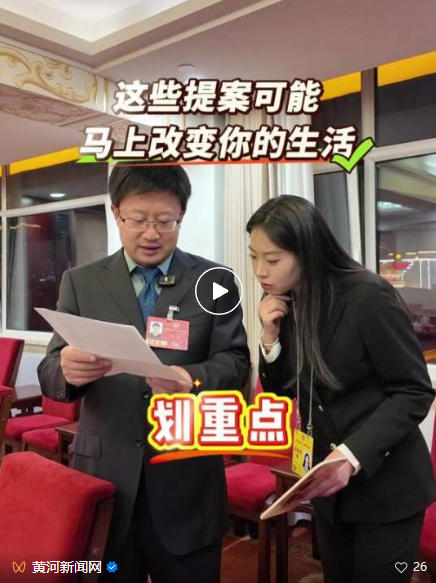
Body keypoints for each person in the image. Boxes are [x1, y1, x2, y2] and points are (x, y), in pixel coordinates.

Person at [38, 163, 250, 583]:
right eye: (138, 219)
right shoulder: (81, 282)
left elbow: (236, 362)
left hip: (186, 478)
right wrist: (66, 370)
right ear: (116, 213)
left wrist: (190, 379)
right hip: (106, 476)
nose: (151, 233)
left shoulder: (214, 281)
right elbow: (50, 371)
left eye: (164, 221)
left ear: (181, 215)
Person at [246, 195, 435, 583]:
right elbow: (283, 393)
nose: (260, 271)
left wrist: (351, 456)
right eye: (254, 257)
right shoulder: (286, 300)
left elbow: (414, 390)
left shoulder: (367, 296)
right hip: (328, 488)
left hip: (386, 487)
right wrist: (269, 337)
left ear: (307, 251)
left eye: (273, 259)